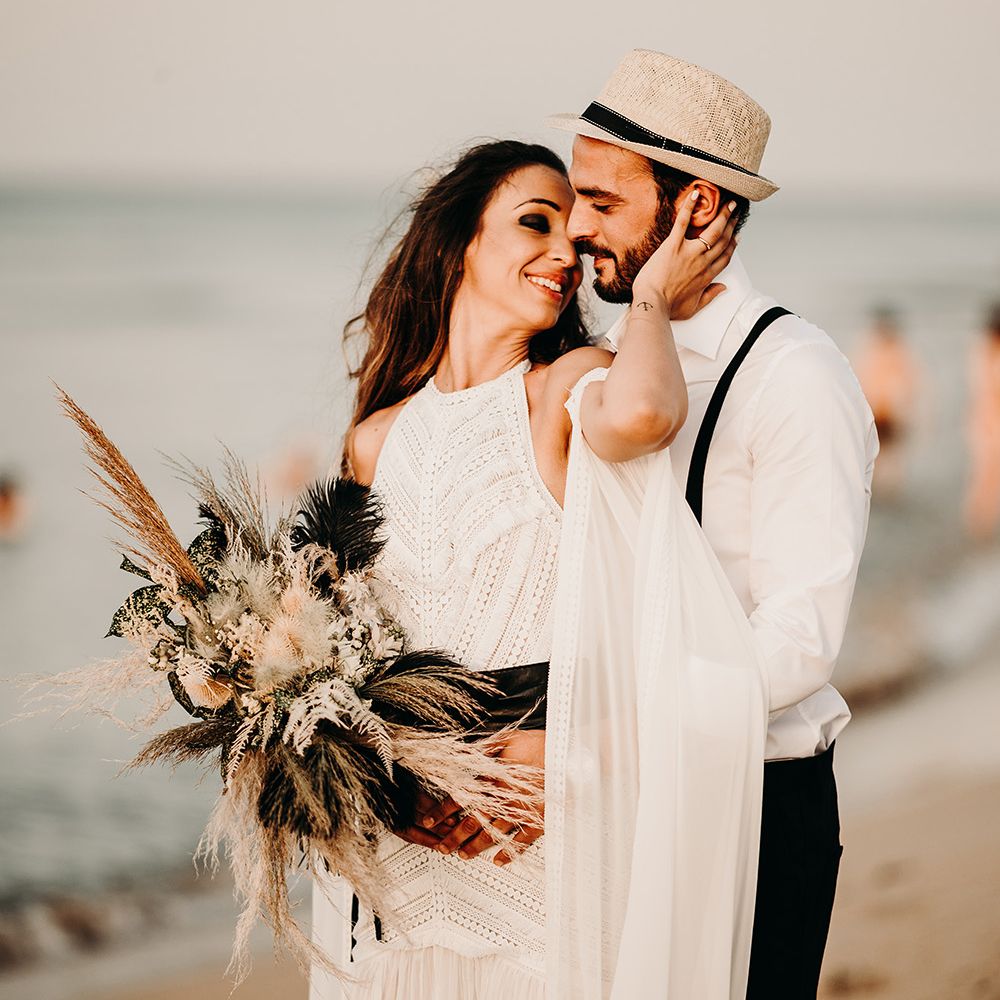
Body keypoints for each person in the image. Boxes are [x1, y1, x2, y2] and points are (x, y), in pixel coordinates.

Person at [309, 139, 767, 999]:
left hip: (545, 821)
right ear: (457, 241)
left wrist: (653, 299)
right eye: (535, 223)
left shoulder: (567, 387)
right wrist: (395, 788)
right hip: (415, 843)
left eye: (575, 230)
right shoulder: (375, 441)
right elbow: (343, 663)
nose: (567, 251)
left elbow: (645, 411)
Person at [547, 49, 878, 998]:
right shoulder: (592, 361)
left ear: (696, 210)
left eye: (604, 203)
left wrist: (615, 726)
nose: (575, 231)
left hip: (756, 802)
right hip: (611, 802)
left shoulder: (796, 376)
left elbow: (800, 642)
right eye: (575, 199)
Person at [853, 305, 920, 499]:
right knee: (879, 462)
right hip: (877, 413)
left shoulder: (897, 351)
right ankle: (881, 494)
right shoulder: (870, 348)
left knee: (888, 464)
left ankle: (885, 495)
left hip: (890, 415)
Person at [964, 302, 1000, 539]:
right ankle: (979, 527)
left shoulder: (984, 351)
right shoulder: (983, 352)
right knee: (984, 478)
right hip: (987, 423)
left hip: (987, 421)